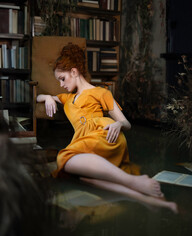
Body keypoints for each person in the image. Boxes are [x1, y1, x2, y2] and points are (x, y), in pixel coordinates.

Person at [37, 43, 178, 213]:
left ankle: (133, 181)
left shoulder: (101, 92)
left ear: (74, 72)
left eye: (62, 78)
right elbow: (38, 97)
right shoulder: (67, 98)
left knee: (62, 159)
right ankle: (145, 197)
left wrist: (117, 124)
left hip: (105, 134)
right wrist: (48, 98)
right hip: (84, 141)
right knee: (84, 177)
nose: (61, 84)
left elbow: (127, 124)